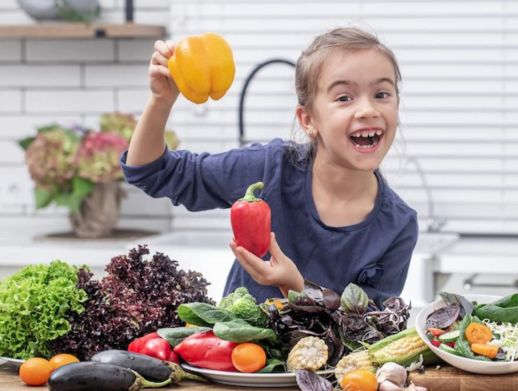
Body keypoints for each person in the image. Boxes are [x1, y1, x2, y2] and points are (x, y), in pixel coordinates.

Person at [121, 26, 418, 308]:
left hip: (330, 364)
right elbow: (150, 171)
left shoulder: (398, 226)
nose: (368, 109)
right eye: (344, 97)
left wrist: (297, 289)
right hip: (237, 360)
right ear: (308, 120)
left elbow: (371, 332)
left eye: (382, 94)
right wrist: (161, 100)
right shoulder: (268, 169)